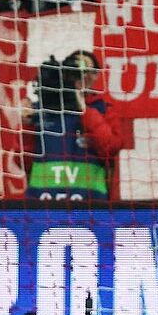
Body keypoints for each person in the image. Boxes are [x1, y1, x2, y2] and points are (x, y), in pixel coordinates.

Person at [25, 50, 123, 201]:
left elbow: (110, 148)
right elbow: (23, 161)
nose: (83, 75)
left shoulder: (102, 109)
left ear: (96, 76)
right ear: (66, 74)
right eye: (77, 70)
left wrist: (84, 109)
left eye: (89, 71)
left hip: (89, 202)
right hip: (44, 201)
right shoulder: (43, 110)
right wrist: (26, 125)